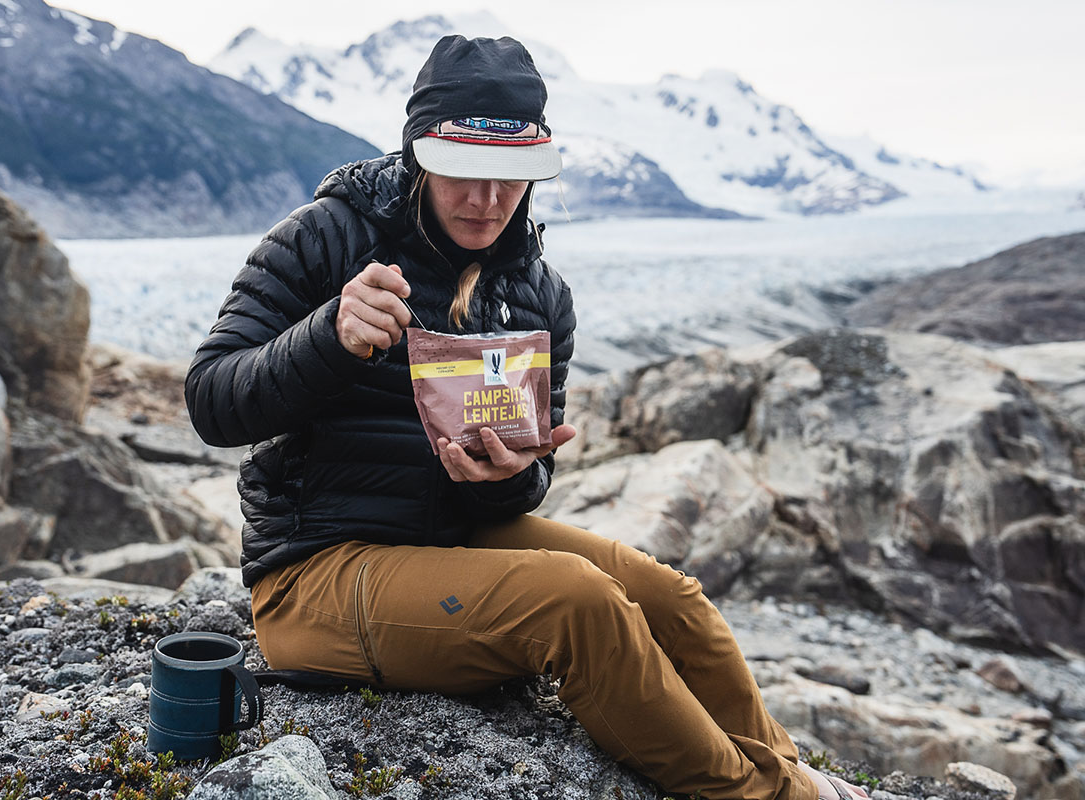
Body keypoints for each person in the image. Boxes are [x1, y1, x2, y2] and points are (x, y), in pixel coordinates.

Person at [185, 33, 866, 800]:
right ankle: (766, 798)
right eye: (464, 174)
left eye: (510, 177)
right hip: (317, 574)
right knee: (579, 603)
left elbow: (523, 487)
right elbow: (210, 399)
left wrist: (511, 475)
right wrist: (328, 338)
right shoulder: (324, 238)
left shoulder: (540, 294)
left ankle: (781, 767)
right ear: (419, 155)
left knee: (670, 599)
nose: (486, 201)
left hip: (450, 537)